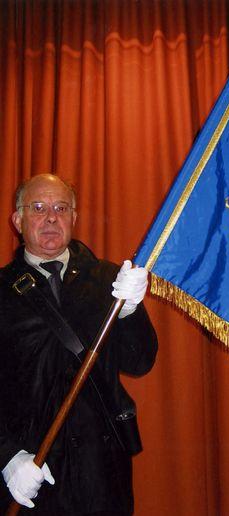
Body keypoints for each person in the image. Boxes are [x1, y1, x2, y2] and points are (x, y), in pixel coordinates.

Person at [0, 174, 158, 515]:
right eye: (38, 208)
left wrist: (129, 312)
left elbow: (141, 361)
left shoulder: (109, 280)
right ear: (18, 220)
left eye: (61, 208)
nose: (51, 218)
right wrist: (8, 457)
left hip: (101, 472)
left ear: (74, 218)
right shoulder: (1, 291)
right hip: (32, 475)